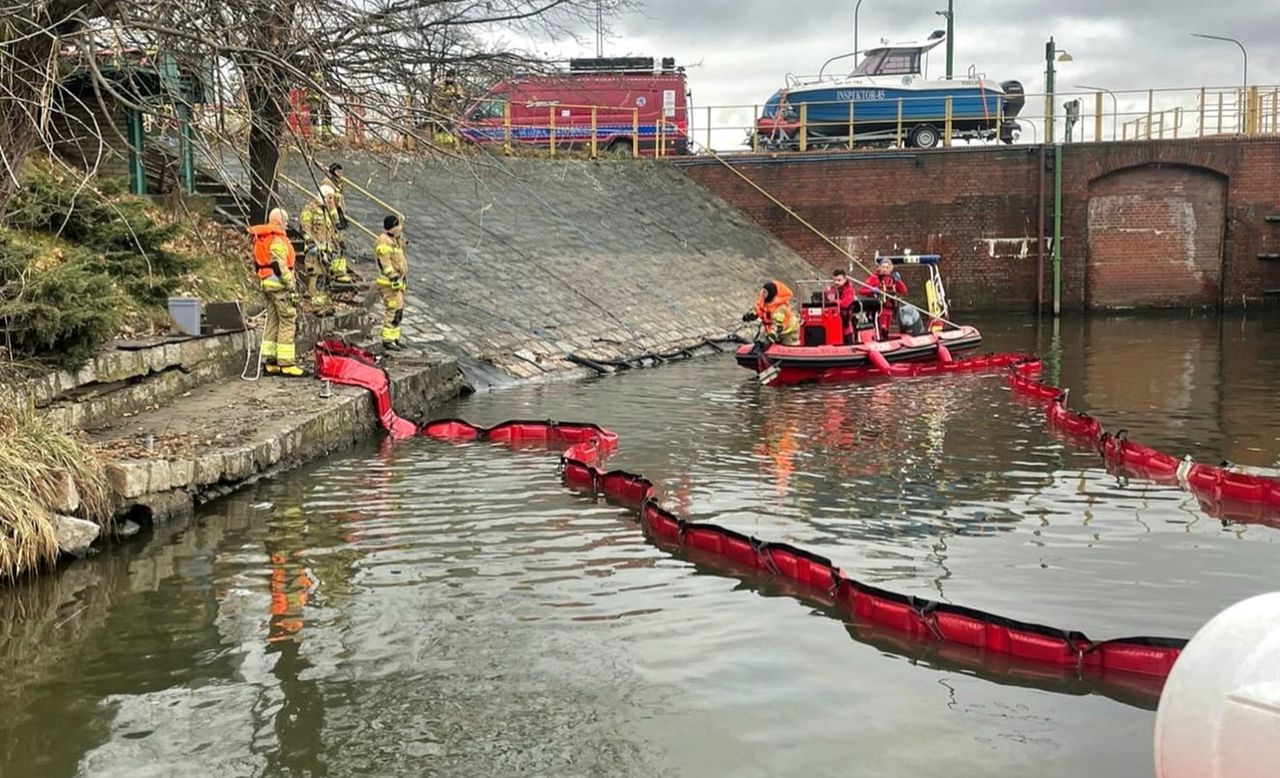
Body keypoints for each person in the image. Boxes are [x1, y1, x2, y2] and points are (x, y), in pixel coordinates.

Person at [248, 208, 305, 377]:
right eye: (286, 222)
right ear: (281, 222)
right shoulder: (278, 239)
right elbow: (278, 264)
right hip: (280, 286)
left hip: (267, 284)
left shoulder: (262, 238)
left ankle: (270, 361)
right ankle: (286, 364)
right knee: (288, 321)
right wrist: (291, 285)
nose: (287, 225)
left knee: (273, 321)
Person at [375, 214, 408, 350]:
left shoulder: (394, 239)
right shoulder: (384, 241)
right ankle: (387, 339)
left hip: (397, 282)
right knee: (393, 308)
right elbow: (385, 261)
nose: (400, 228)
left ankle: (394, 337)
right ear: (392, 227)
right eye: (398, 226)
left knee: (398, 310)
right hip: (388, 283)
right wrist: (392, 274)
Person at [860, 257, 908, 339]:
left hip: (889, 309)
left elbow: (903, 290)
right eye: (883, 267)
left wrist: (898, 281)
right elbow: (862, 290)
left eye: (887, 267)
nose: (885, 269)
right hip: (879, 309)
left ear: (890, 269)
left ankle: (884, 339)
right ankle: (880, 339)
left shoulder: (892, 279)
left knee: (886, 330)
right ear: (879, 268)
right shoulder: (874, 278)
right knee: (882, 328)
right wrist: (872, 290)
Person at [742, 281, 799, 346]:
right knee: (761, 340)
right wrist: (751, 315)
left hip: (788, 333)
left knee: (786, 343)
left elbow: (777, 326)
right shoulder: (764, 302)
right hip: (770, 329)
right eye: (762, 291)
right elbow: (758, 310)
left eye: (764, 292)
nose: (762, 293)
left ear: (770, 294)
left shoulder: (780, 309)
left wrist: (771, 337)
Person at [825, 268, 857, 344]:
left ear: (845, 280)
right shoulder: (830, 290)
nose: (836, 282)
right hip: (832, 320)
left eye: (839, 280)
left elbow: (845, 304)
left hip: (845, 321)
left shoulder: (849, 290)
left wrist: (833, 301)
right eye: (834, 280)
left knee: (847, 337)